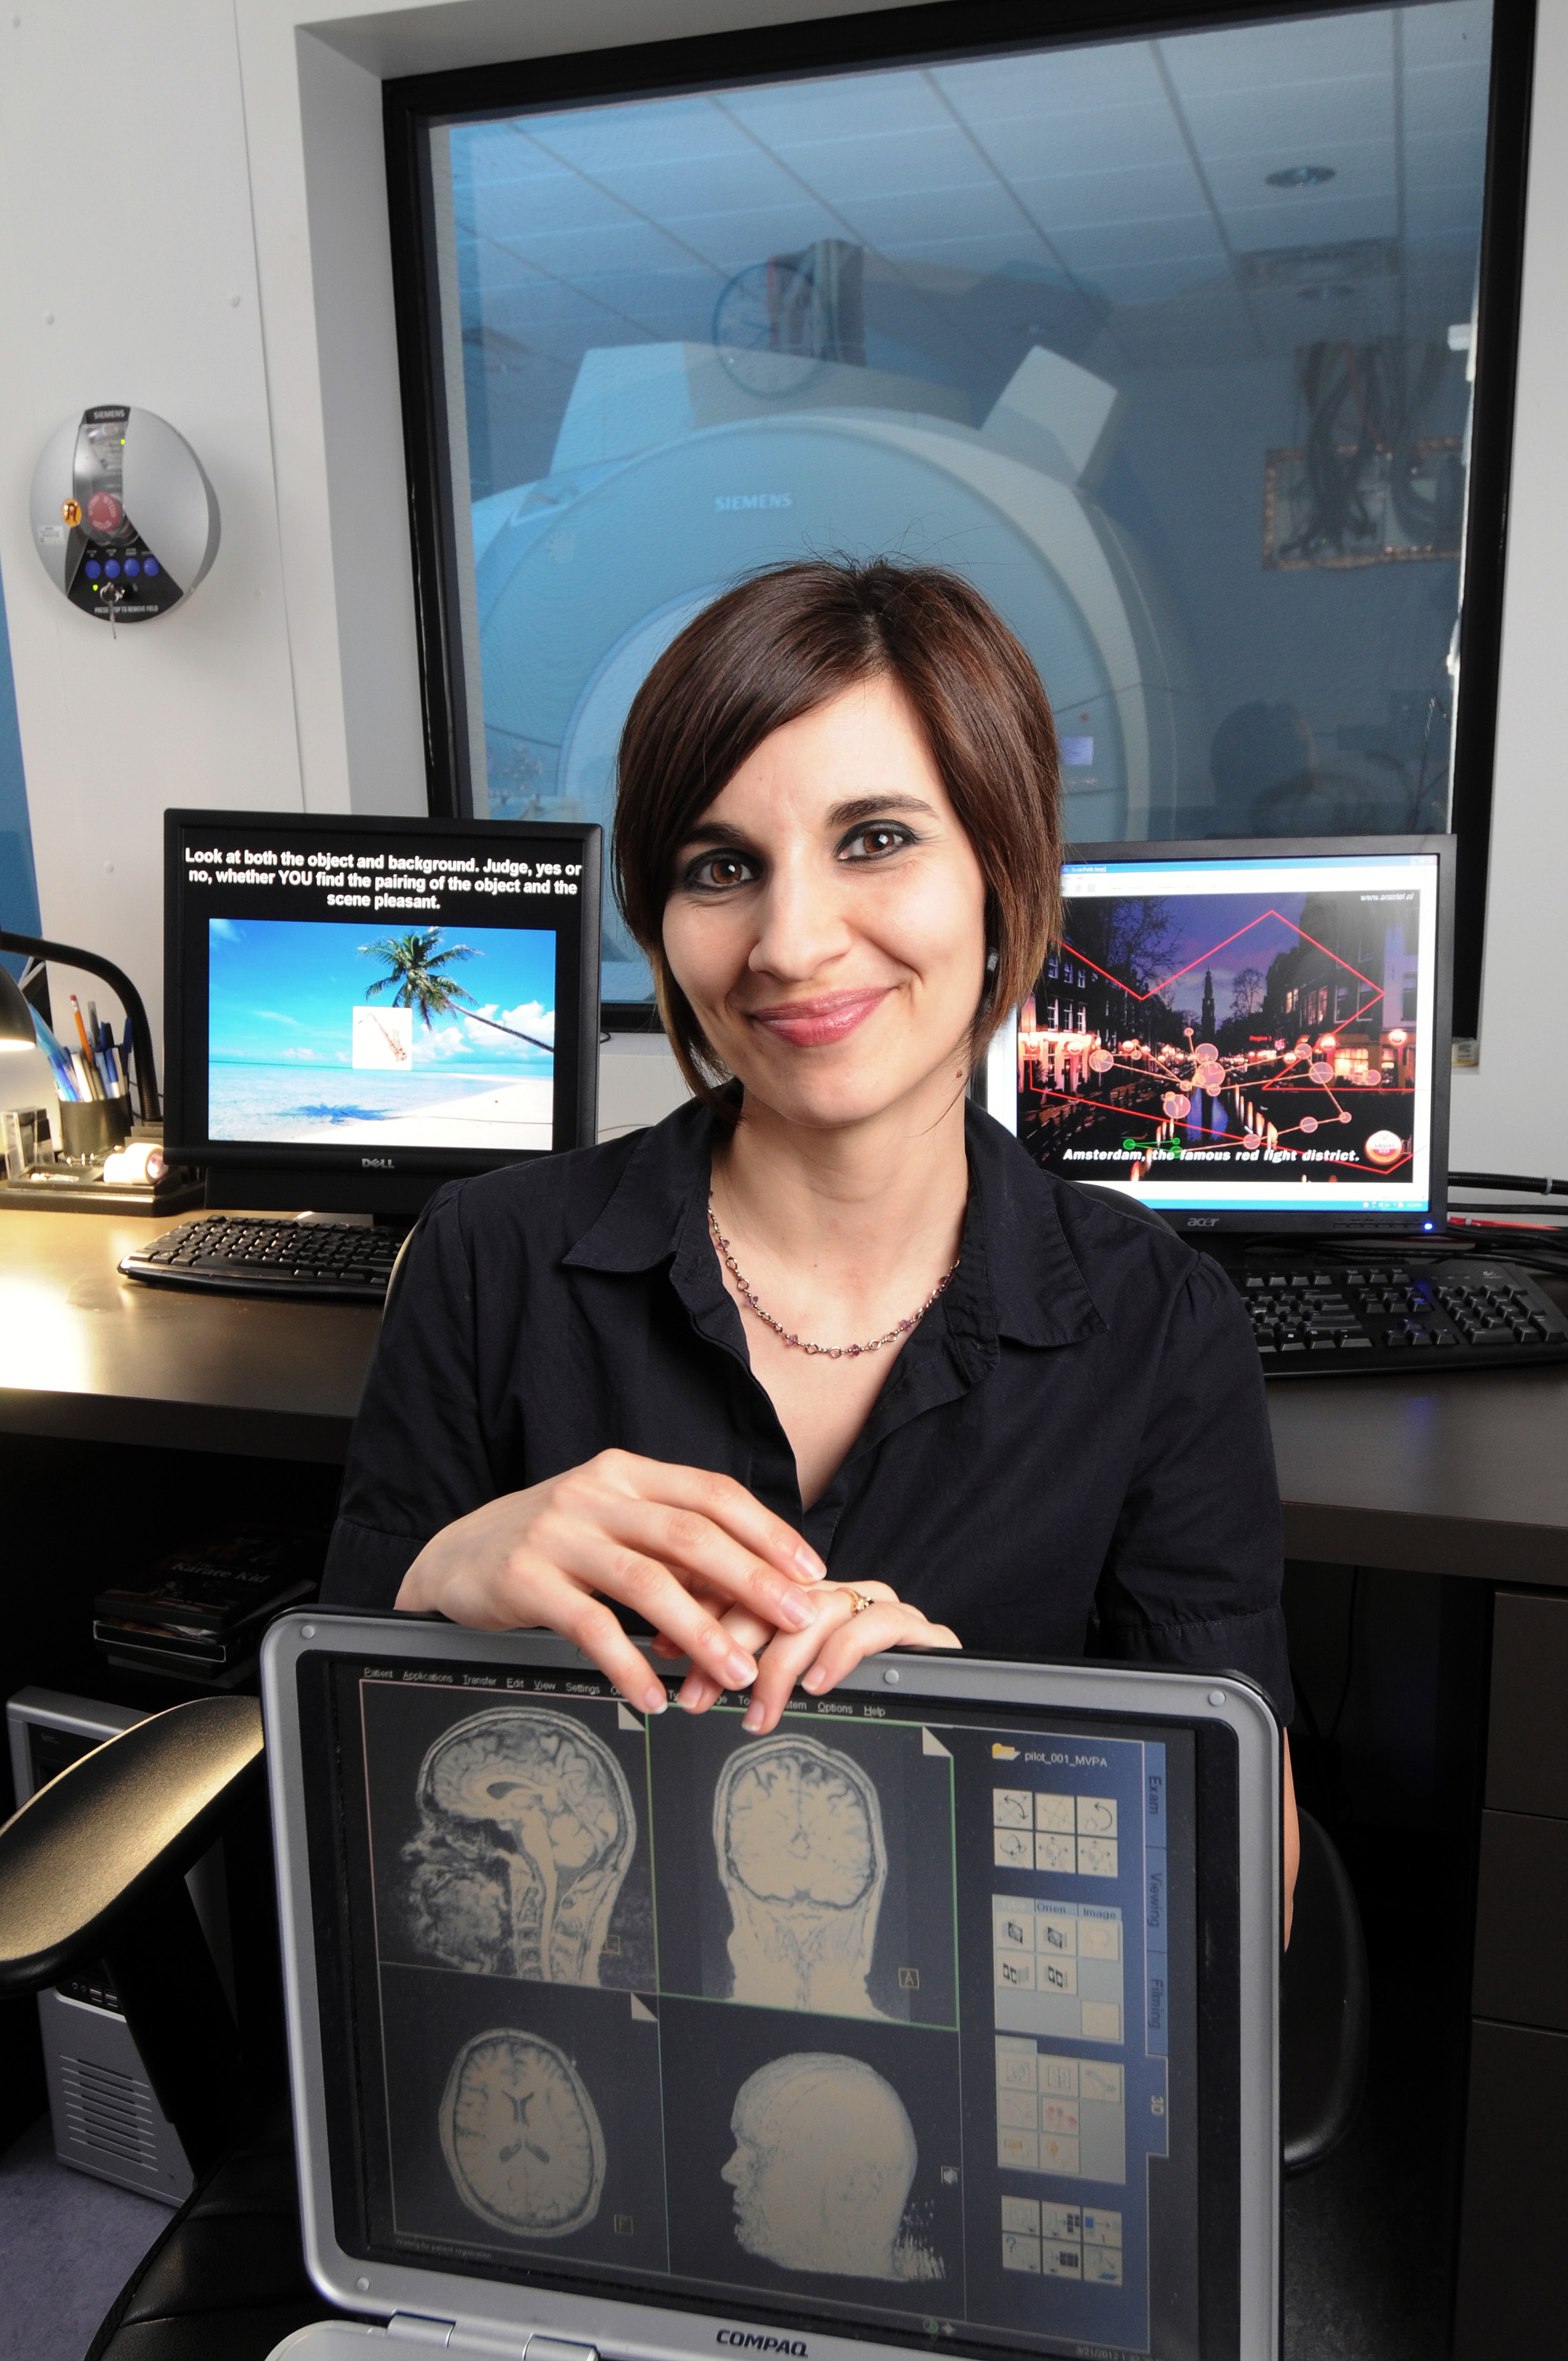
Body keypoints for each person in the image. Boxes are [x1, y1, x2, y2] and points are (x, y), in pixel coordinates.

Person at [323, 557, 1298, 1930]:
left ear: (1002, 876)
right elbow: (354, 1868)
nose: (790, 942)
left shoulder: (1158, 1327)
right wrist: (432, 1585)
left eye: (876, 839)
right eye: (721, 868)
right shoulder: (485, 1262)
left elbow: (1246, 1906)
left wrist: (982, 1734)